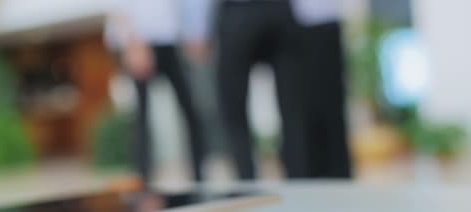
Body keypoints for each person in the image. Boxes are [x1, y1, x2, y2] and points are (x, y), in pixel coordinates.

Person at [210, 0, 352, 179]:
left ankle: (247, 180)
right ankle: (298, 179)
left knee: (235, 109)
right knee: (293, 108)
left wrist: (197, 26)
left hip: (241, 12)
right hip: (280, 11)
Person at [105, 0, 211, 188]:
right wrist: (132, 43)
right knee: (142, 117)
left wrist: (193, 32)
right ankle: (143, 179)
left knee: (191, 111)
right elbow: (119, 8)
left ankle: (200, 175)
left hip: (171, 42)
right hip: (141, 43)